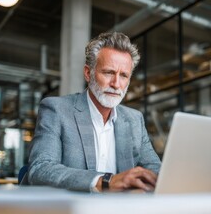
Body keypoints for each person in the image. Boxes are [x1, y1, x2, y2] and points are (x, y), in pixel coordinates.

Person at [25, 32, 161, 192]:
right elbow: (40, 169)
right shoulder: (56, 109)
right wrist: (105, 182)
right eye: (109, 72)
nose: (116, 84)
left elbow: (155, 170)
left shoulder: (135, 119)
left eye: (124, 75)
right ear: (88, 73)